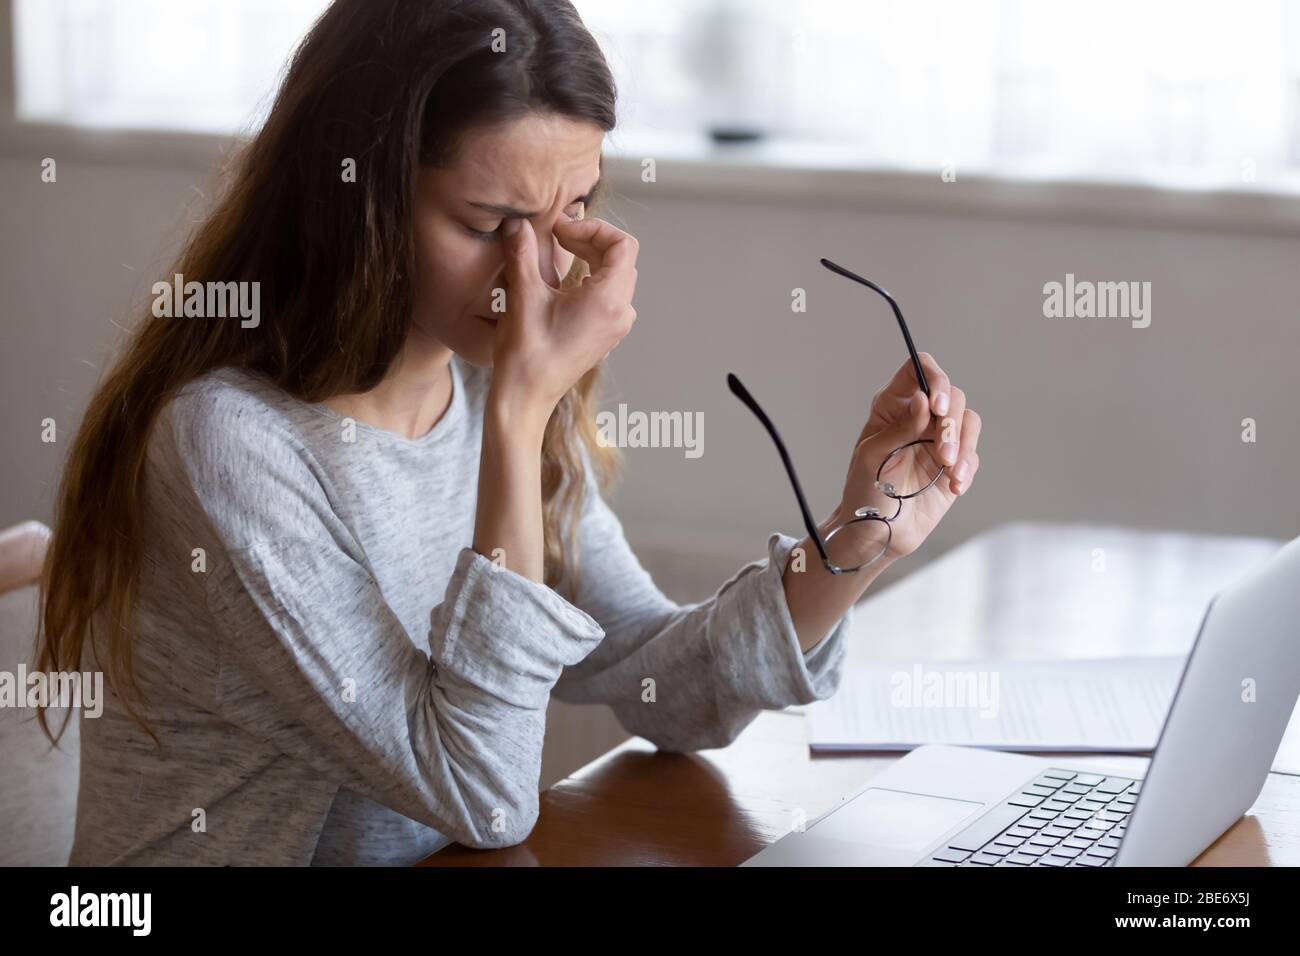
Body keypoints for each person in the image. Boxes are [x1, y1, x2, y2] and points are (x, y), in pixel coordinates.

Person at [35, 0, 981, 865]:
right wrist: (525, 412)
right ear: (357, 200)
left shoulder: (486, 390)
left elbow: (658, 684)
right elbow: (483, 797)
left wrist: (862, 532)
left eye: (572, 211)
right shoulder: (229, 446)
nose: (533, 273)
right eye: (489, 222)